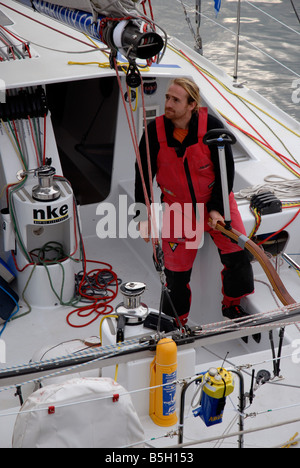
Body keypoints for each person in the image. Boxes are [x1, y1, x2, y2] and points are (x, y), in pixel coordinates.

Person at [135, 77, 254, 327]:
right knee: (175, 277)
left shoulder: (212, 127)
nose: (168, 103)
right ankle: (176, 323)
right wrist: (142, 216)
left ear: (191, 104)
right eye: (167, 97)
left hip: (216, 202)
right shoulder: (153, 133)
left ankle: (232, 306)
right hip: (178, 210)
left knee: (239, 257)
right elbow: (142, 175)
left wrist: (217, 209)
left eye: (175, 100)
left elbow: (226, 173)